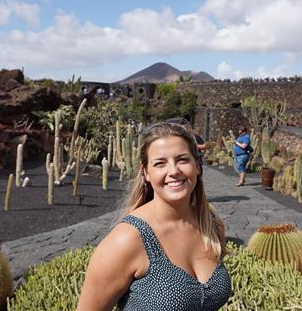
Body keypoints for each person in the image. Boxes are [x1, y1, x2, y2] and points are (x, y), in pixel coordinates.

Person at [77, 122, 231, 311]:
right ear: (146, 173)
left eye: (182, 159)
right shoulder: (127, 240)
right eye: (160, 163)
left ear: (197, 166)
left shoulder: (211, 224)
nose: (174, 171)